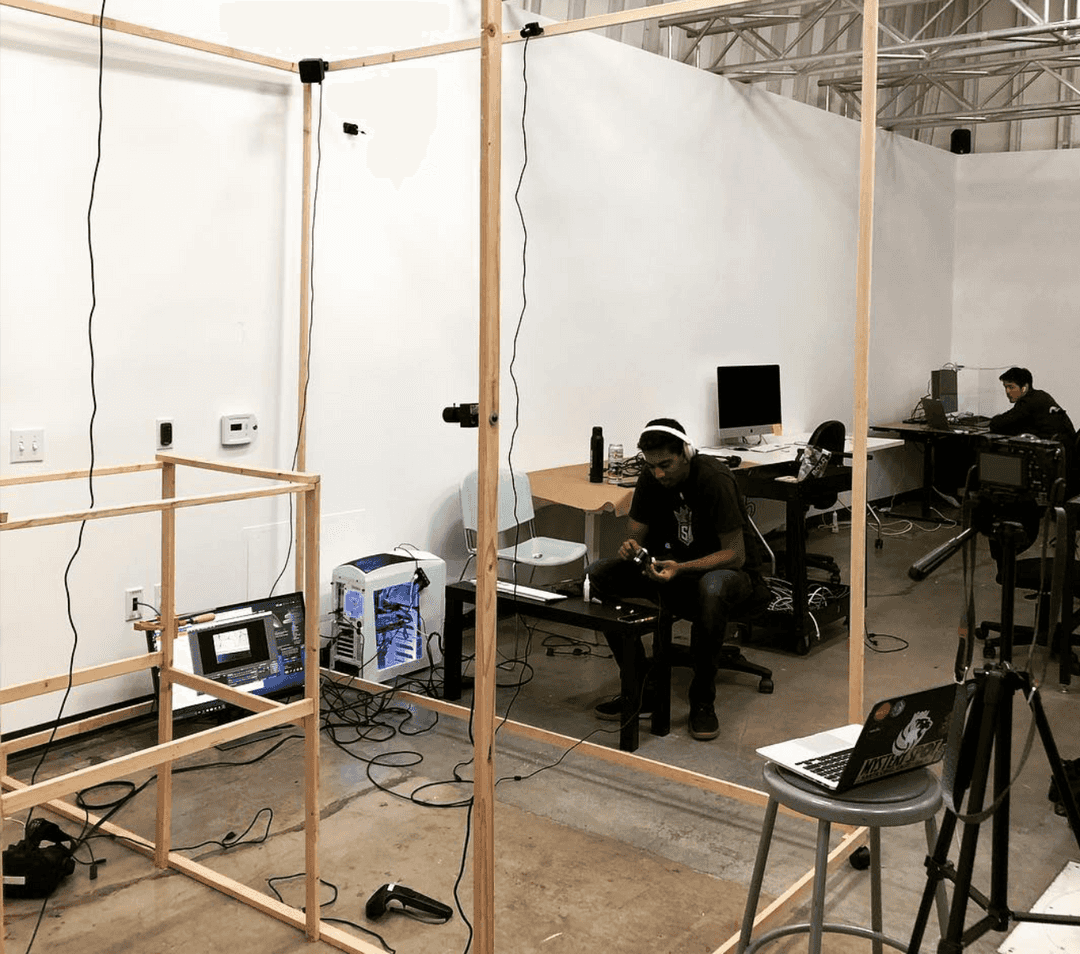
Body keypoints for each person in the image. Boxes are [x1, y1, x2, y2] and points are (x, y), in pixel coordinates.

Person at [586, 418, 761, 741]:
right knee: (599, 574)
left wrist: (681, 568)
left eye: (666, 464)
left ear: (686, 452)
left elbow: (735, 555)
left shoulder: (714, 479)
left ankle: (702, 701)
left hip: (728, 575)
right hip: (672, 568)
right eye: (652, 467)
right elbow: (636, 532)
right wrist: (632, 548)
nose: (659, 474)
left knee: (712, 588)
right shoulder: (652, 478)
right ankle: (640, 688)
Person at [989, 367, 1075, 442]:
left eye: (1011, 387)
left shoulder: (1029, 401)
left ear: (1024, 388)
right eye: (1005, 387)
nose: (1007, 391)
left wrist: (995, 420)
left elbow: (999, 423)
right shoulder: (1040, 395)